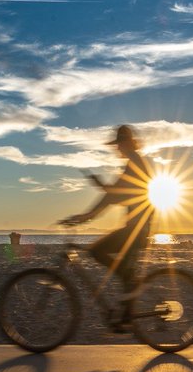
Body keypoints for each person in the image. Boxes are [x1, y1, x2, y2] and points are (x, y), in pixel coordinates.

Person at [60, 124, 154, 317]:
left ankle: (131, 288)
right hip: (137, 228)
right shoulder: (134, 163)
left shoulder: (135, 164)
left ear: (128, 143)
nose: (117, 148)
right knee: (125, 277)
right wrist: (88, 214)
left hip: (137, 230)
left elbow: (114, 196)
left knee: (97, 251)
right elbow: (116, 195)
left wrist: (86, 215)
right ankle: (126, 318)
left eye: (119, 144)